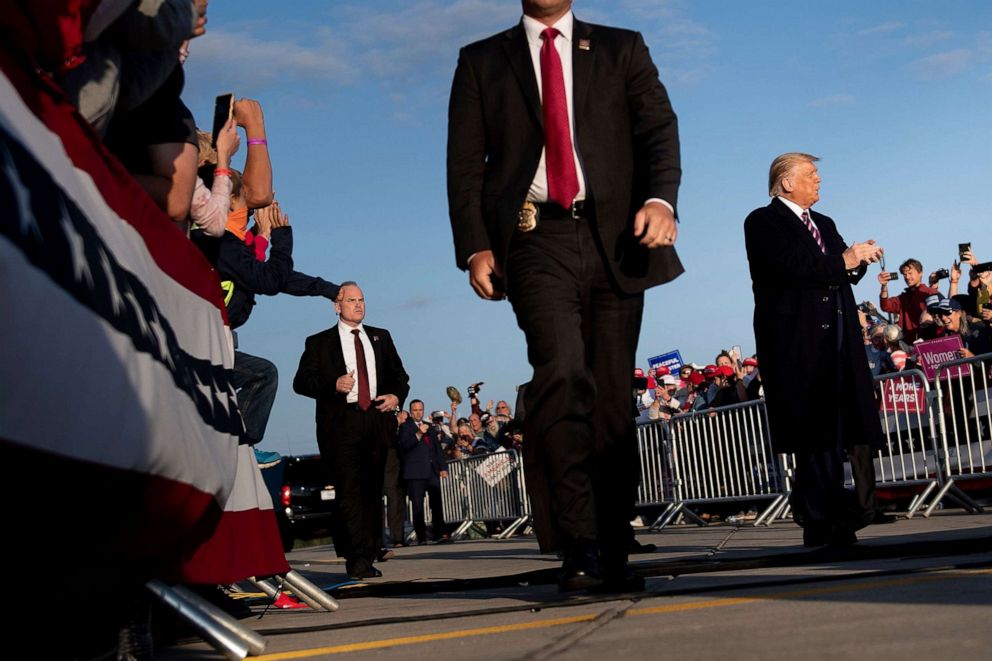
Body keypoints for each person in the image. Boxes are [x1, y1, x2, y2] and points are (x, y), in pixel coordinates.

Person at [446, 0, 682, 592]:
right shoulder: (480, 61)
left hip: (616, 239)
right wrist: (475, 246)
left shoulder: (621, 47)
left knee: (608, 396)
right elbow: (463, 163)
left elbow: (657, 128)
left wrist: (661, 200)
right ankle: (578, 544)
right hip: (533, 238)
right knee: (561, 373)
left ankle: (612, 543)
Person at [744, 152, 886, 548]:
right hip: (799, 344)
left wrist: (859, 260)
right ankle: (822, 518)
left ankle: (835, 512)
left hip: (839, 340)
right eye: (811, 174)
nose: (819, 179)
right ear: (787, 182)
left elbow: (842, 269)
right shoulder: (762, 222)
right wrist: (843, 259)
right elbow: (789, 268)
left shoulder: (824, 223)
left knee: (840, 429)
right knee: (815, 433)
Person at [292, 282, 410, 579]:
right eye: (351, 300)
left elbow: (400, 376)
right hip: (341, 423)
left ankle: (368, 551)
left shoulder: (380, 337)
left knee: (372, 490)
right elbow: (301, 382)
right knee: (348, 490)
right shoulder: (318, 342)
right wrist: (333, 385)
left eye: (361, 300)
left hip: (376, 420)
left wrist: (396, 396)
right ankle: (355, 555)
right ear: (337, 305)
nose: (358, 305)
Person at [397, 400, 450, 544]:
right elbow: (405, 446)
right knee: (418, 506)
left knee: (437, 504)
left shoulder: (430, 427)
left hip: (431, 471)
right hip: (415, 473)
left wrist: (443, 467)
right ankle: (422, 537)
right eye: (415, 410)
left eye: (420, 409)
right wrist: (419, 434)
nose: (418, 412)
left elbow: (437, 449)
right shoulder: (405, 427)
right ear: (410, 411)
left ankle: (440, 533)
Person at [879, 258, 937, 343]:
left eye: (910, 273)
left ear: (920, 273)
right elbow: (885, 306)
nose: (907, 277)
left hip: (929, 342)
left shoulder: (930, 293)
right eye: (904, 274)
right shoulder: (903, 298)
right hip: (908, 345)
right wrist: (884, 286)